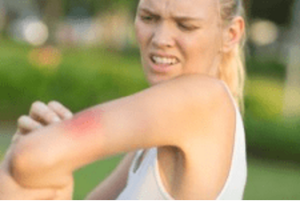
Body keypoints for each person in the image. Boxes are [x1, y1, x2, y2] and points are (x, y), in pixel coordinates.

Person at [0, 0, 247, 200]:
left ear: (231, 34)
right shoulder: (154, 139)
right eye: (149, 18)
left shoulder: (202, 98)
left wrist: (28, 158)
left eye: (185, 25)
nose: (161, 39)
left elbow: (30, 156)